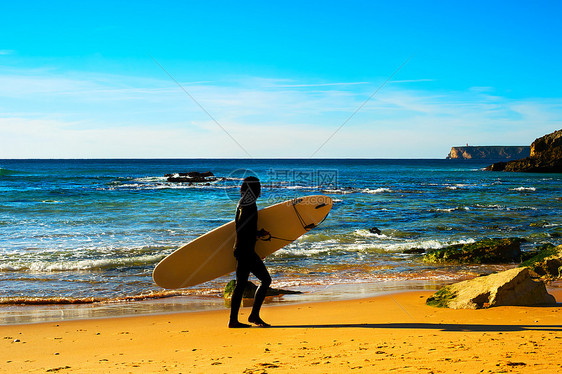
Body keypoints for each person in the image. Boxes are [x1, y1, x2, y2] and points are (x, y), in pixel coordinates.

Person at [229, 176, 272, 328]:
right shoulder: (249, 204)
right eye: (258, 186)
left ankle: (234, 320)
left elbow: (244, 227)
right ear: (254, 188)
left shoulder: (243, 203)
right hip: (245, 250)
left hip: (243, 249)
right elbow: (243, 228)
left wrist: (257, 234)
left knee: (240, 285)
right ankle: (253, 315)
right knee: (266, 280)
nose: (260, 189)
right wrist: (259, 234)